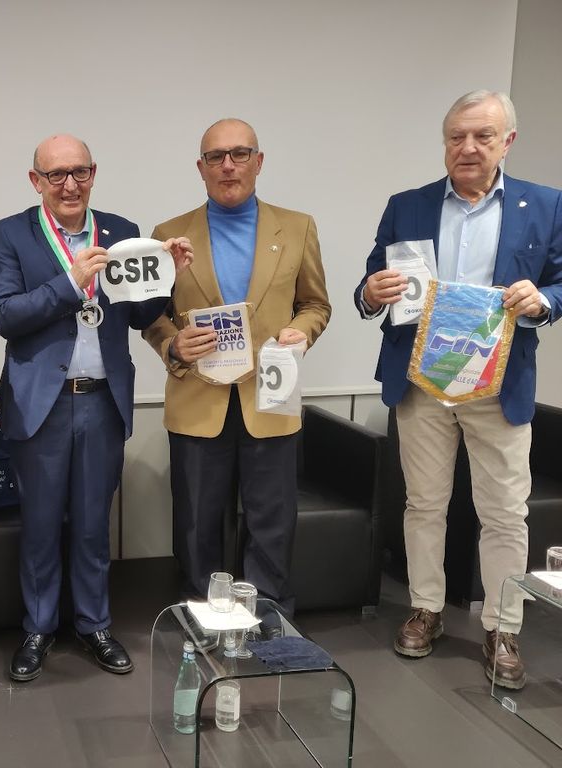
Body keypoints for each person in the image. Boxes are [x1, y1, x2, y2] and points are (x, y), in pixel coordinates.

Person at [354, 90, 562, 690]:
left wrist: (544, 300)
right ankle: (426, 608)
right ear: (444, 142)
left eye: (482, 136)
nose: (467, 148)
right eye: (456, 137)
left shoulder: (546, 205)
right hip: (423, 381)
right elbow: (370, 283)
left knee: (505, 512)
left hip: (499, 383)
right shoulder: (408, 205)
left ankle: (503, 627)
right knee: (424, 503)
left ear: (507, 141)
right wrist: (371, 293)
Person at [0, 134, 193, 681]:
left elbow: (139, 313)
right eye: (56, 174)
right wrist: (71, 282)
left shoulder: (122, 231)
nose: (70, 184)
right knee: (40, 524)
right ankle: (37, 628)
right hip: (41, 404)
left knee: (93, 524)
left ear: (93, 174)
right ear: (36, 181)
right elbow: (5, 315)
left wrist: (167, 274)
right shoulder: (10, 233)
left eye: (80, 172)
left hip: (102, 401)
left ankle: (94, 625)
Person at [143, 118, 331, 614]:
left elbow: (316, 305)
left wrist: (301, 332)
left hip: (270, 397)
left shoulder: (297, 227)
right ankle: (203, 617)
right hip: (197, 400)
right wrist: (173, 344)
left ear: (258, 162)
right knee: (197, 523)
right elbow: (151, 317)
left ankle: (269, 619)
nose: (228, 165)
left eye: (240, 154)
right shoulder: (168, 235)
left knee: (272, 520)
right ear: (201, 168)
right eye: (216, 157)